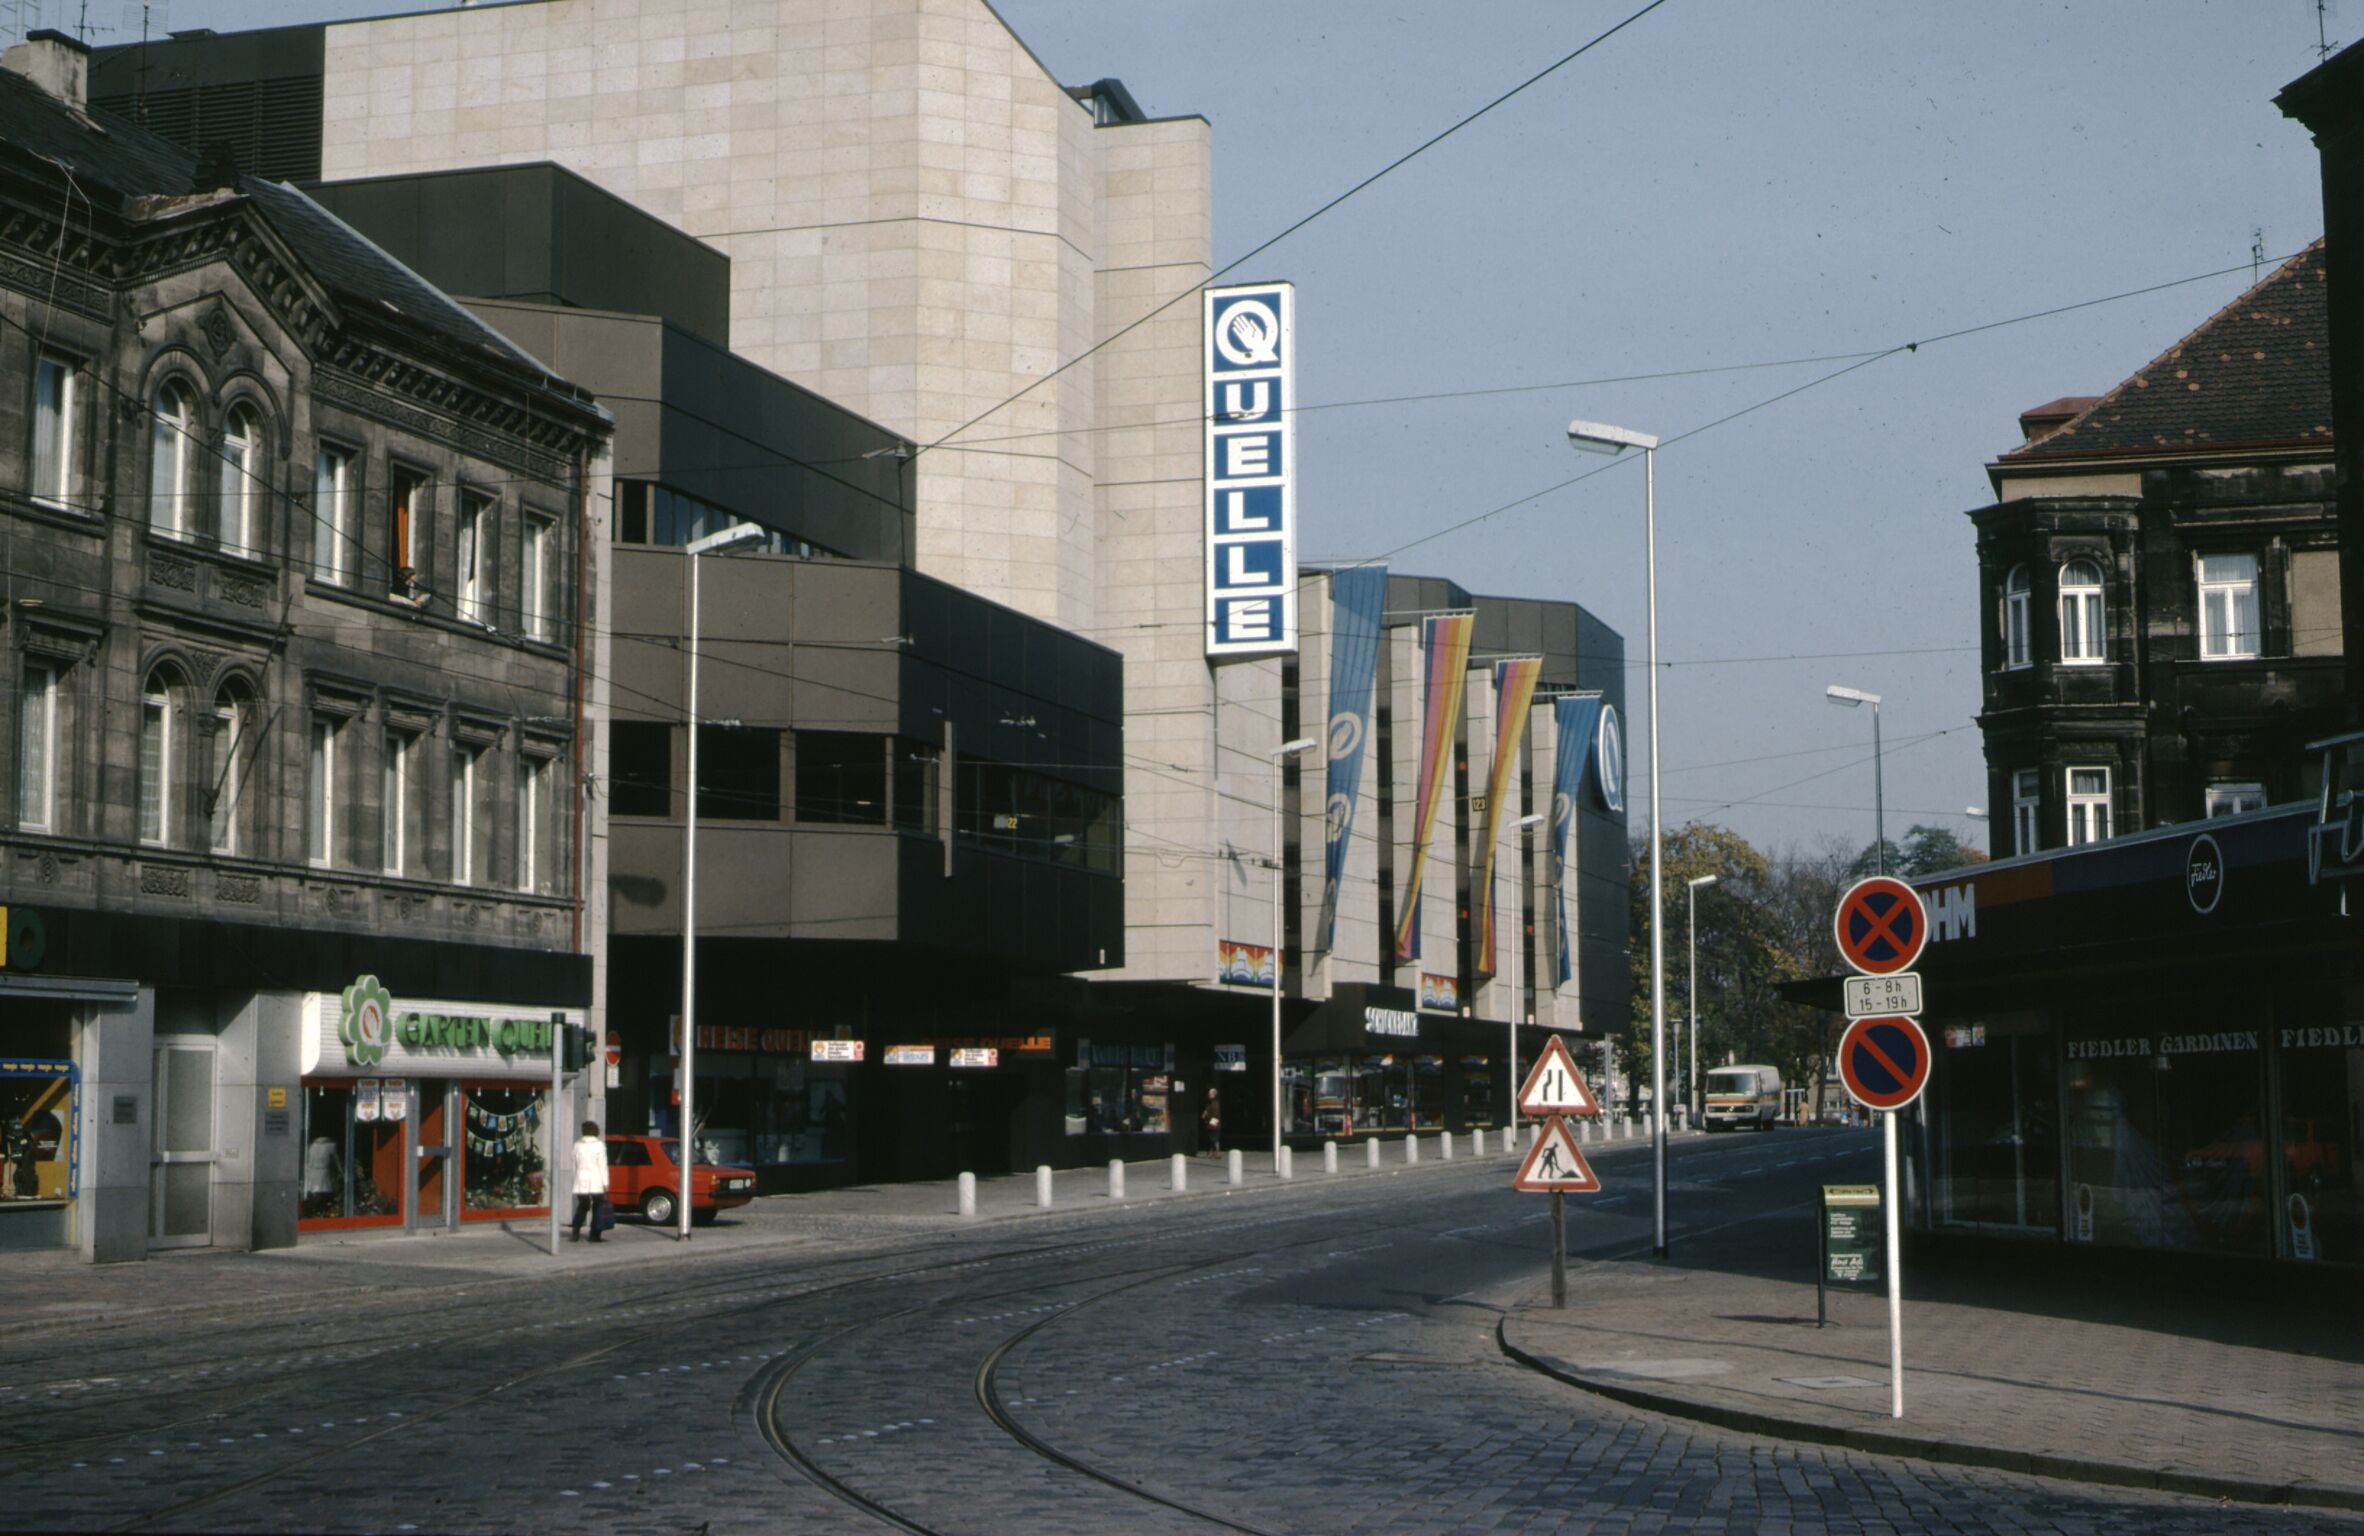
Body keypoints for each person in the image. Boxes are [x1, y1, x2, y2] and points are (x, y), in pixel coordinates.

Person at [568, 1120, 609, 1242]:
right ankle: (594, 1234)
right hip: (596, 1179)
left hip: (581, 1178)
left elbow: (574, 1165)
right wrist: (606, 1182)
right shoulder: (599, 1145)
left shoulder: (577, 1145)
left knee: (583, 1206)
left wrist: (574, 1180)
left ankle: (575, 1231)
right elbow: (602, 1165)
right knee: (597, 1207)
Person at [1200, 1088, 1222, 1155]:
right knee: (1210, 1137)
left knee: (1214, 1137)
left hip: (1214, 1122)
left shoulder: (1215, 1103)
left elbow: (1215, 1114)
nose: (1209, 1095)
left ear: (1214, 1095)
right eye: (1209, 1094)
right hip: (1210, 1122)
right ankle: (1212, 1151)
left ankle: (1216, 1152)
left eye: (1210, 1094)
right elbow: (1206, 1111)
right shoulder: (1209, 1103)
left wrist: (1206, 1115)